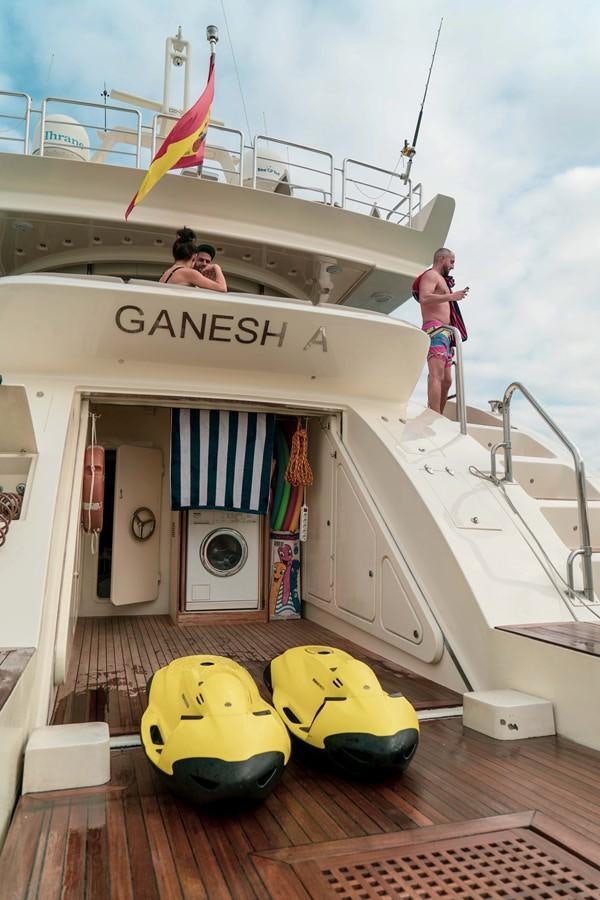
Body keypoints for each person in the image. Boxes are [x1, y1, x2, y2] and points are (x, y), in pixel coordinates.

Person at [413, 248, 469, 414]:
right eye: (451, 262)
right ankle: (434, 414)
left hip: (446, 333)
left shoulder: (443, 281)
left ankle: (439, 414)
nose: (453, 266)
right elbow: (424, 297)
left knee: (447, 381)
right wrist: (451, 297)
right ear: (442, 258)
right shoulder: (431, 276)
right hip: (435, 329)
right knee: (436, 375)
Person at [160, 227, 227, 292]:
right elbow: (222, 288)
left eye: (207, 261)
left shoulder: (166, 273)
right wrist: (217, 267)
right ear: (194, 257)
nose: (204, 263)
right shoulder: (189, 273)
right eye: (200, 260)